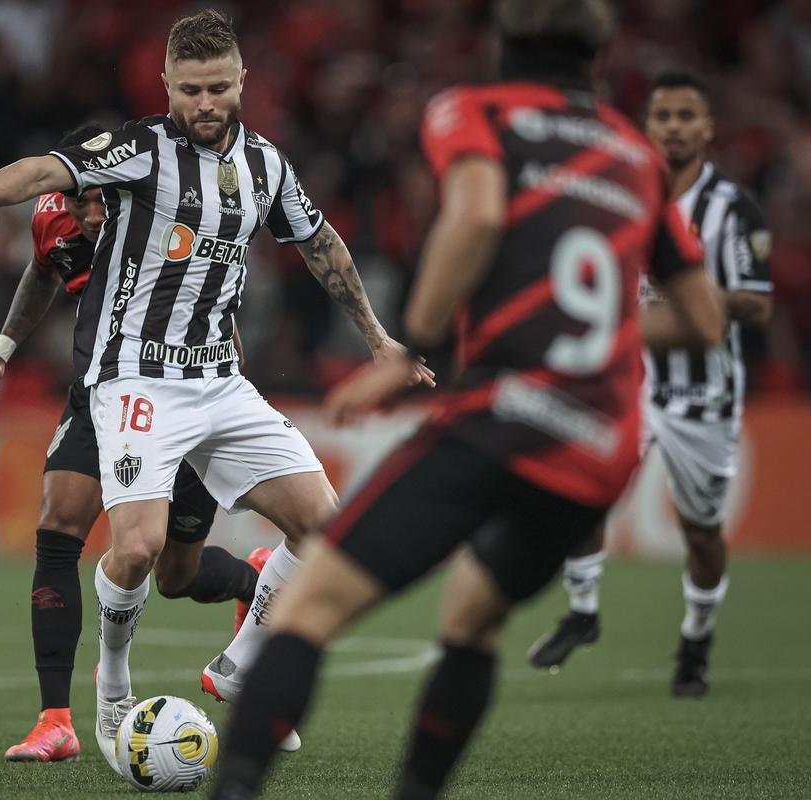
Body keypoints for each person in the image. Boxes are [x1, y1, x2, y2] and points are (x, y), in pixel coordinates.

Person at [208, 2, 728, 798]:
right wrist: (595, 334)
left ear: (501, 48)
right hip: (596, 452)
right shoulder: (636, 155)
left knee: (307, 606)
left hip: (500, 418)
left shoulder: (474, 112)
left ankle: (234, 788)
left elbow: (479, 210)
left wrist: (407, 349)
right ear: (596, 62)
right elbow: (700, 319)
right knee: (472, 620)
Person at [0, 9, 430, 771]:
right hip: (134, 380)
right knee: (138, 550)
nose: (204, 103)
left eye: (218, 87)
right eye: (189, 89)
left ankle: (240, 662)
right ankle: (112, 689)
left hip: (219, 385)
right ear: (166, 85)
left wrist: (376, 338)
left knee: (329, 530)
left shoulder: (266, 165)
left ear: (241, 81)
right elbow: (44, 172)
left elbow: (320, 242)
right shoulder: (139, 147)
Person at [0, 124, 267, 763]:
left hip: (182, 396)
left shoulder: (158, 207)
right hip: (99, 391)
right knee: (59, 525)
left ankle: (250, 579)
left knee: (175, 574)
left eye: (107, 199)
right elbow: (44, 271)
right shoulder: (54, 215)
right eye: (86, 200)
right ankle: (55, 720)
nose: (98, 212)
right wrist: (1, 353)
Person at [527, 70, 773, 697]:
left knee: (700, 532)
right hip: (625, 381)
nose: (674, 128)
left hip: (703, 393)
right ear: (648, 127)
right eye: (663, 117)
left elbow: (758, 303)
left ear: (708, 127)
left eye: (687, 116)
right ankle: (582, 613)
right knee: (580, 495)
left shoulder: (731, 208)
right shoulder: (620, 194)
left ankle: (696, 636)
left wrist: (694, 298)